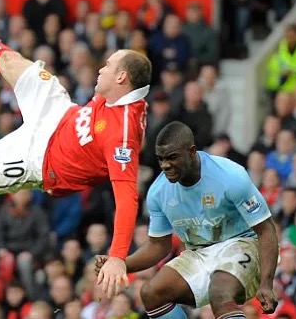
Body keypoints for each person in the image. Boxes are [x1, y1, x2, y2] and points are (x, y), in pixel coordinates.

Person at [0, 9, 152, 298]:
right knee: (12, 61)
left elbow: (126, 197)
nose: (101, 68)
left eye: (108, 65)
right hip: (59, 113)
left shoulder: (122, 133)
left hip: (39, 163)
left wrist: (118, 255)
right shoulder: (120, 97)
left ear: (122, 77)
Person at [94, 121, 279, 319]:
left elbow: (266, 230)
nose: (165, 165)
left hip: (244, 244)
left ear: (192, 152)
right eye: (161, 159)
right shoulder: (158, 192)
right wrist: (121, 263)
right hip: (199, 254)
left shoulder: (230, 176)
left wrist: (266, 284)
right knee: (151, 293)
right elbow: (158, 246)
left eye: (172, 157)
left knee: (219, 292)